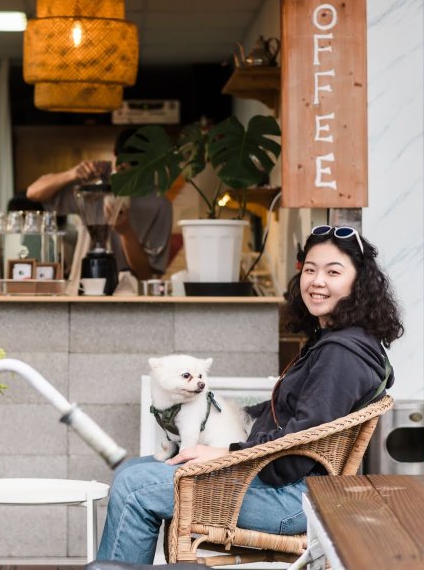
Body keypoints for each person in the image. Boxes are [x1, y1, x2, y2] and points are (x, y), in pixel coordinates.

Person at [96, 225, 404, 563]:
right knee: (131, 472)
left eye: (333, 272)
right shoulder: (337, 340)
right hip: (281, 484)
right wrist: (216, 412)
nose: (317, 281)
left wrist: (225, 453)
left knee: (135, 488)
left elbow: (298, 446)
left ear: (358, 283)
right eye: (311, 270)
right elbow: (286, 413)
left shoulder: (342, 355)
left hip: (290, 498)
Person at [25, 129, 172, 281]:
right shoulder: (93, 180)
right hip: (81, 287)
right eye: (120, 168)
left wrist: (125, 232)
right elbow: (33, 193)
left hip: (130, 295)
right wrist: (71, 174)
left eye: (134, 172)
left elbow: (147, 275)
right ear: (114, 155)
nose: (125, 178)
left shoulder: (159, 203)